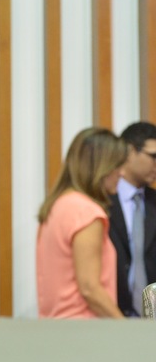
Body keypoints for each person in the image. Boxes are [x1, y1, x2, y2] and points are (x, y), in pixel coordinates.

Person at [36, 127, 127, 319]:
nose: (122, 173)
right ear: (101, 168)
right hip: (85, 328)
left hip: (55, 327)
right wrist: (125, 328)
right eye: (117, 165)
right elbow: (89, 288)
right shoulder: (86, 212)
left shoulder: (56, 206)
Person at [108, 122, 156, 317]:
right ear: (129, 152)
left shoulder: (154, 202)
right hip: (107, 317)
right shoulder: (101, 202)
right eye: (153, 156)